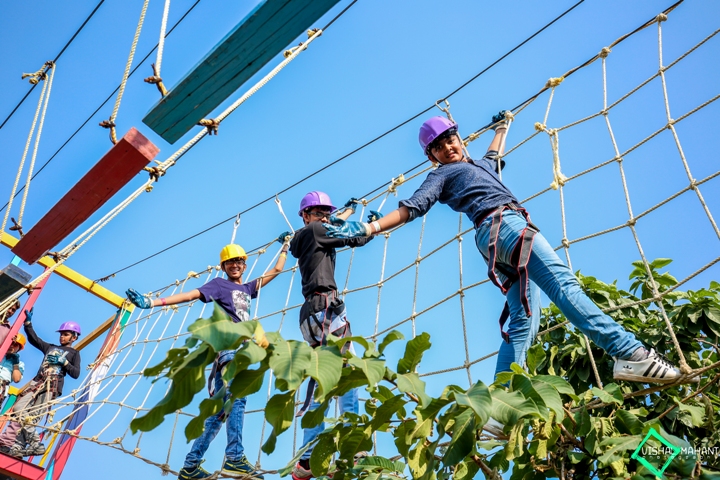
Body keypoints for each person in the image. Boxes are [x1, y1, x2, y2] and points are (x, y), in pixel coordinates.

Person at [323, 113, 694, 390]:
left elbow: (493, 154)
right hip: (505, 227)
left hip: (499, 242)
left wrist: (503, 126)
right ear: (432, 156)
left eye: (451, 138)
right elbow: (412, 207)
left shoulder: (480, 165)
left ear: (458, 138)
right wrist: (370, 227)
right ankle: (630, 353)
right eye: (439, 146)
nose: (448, 146)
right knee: (565, 286)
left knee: (523, 323)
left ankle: (500, 403)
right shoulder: (442, 175)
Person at [127, 243, 289, 480]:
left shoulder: (246, 288)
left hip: (242, 351)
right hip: (228, 349)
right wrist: (153, 303)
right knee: (238, 399)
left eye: (239, 262)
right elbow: (190, 294)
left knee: (220, 413)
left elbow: (275, 271)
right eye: (230, 262)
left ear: (245, 265)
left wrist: (285, 247)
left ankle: (190, 465)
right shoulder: (218, 285)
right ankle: (234, 458)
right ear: (223, 267)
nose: (235, 265)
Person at [280, 192, 377, 480]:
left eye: (326, 212)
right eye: (318, 212)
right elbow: (352, 236)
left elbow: (333, 224)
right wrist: (372, 228)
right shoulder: (316, 231)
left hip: (310, 315)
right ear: (306, 216)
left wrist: (346, 212)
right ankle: (352, 446)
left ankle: (308, 458)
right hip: (326, 309)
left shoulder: (305, 235)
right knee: (349, 372)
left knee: (322, 377)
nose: (324, 217)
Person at [0, 310, 81, 457]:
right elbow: (34, 339)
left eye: (66, 334)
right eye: (61, 334)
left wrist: (65, 362)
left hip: (51, 387)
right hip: (38, 382)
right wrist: (28, 324)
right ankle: (35, 442)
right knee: (19, 408)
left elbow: (75, 373)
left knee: (34, 416)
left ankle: (18, 447)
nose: (62, 337)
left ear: (74, 337)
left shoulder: (74, 354)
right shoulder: (50, 347)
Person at [0, 333, 25, 404]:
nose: (12, 346)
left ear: (19, 348)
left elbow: (16, 379)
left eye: (15, 345)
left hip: (1, 386)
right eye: (11, 343)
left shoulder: (19, 364)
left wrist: (15, 364)